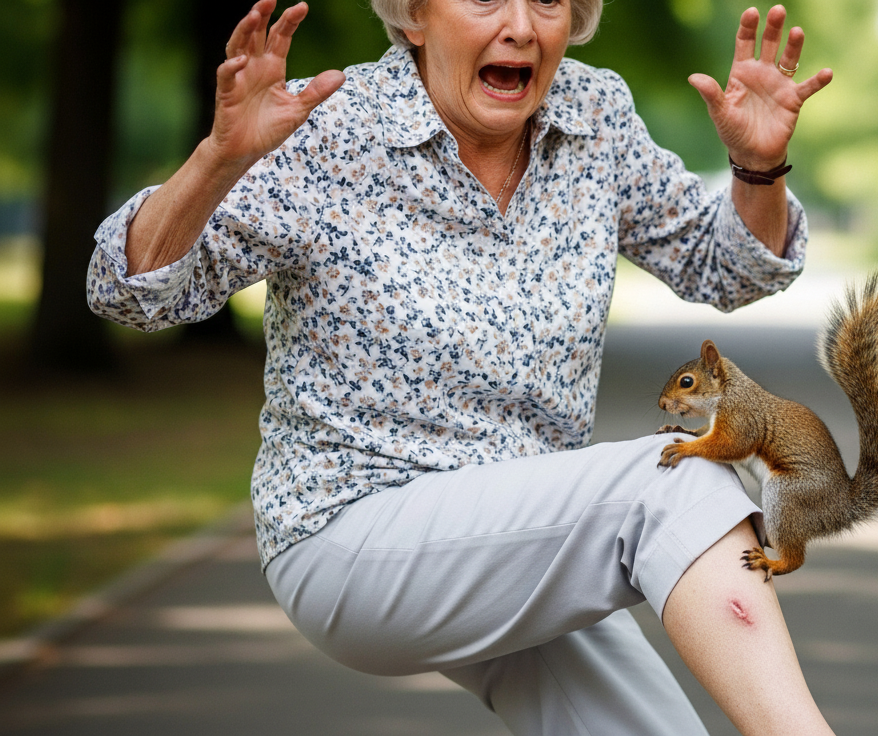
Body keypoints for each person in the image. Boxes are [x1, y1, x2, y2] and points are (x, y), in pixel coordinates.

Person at [86, 0, 834, 733]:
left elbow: (730, 271)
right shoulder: (335, 127)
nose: (519, 24)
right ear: (413, 14)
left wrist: (757, 169)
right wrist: (220, 158)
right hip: (351, 533)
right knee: (680, 481)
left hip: (525, 533)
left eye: (547, 0)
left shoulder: (595, 116)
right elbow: (129, 294)